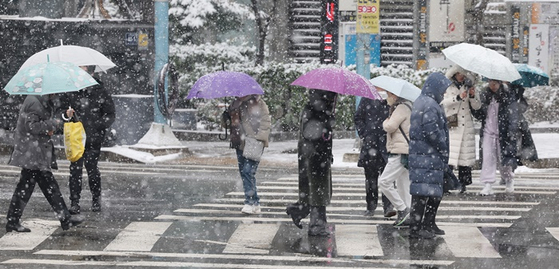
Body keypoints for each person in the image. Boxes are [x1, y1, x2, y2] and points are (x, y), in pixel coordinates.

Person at [6, 94, 84, 232]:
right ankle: (65, 219)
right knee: (46, 187)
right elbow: (32, 126)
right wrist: (52, 125)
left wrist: (64, 117)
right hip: (33, 152)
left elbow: (42, 123)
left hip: (35, 152)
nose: (57, 93)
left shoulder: (40, 100)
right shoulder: (35, 102)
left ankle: (13, 220)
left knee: (29, 187)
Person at [60, 65, 115, 214]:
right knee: (75, 171)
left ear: (91, 72)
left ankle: (96, 199)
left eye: (84, 70)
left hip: (93, 138)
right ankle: (74, 202)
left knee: (92, 170)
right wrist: (67, 115)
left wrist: (98, 126)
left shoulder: (99, 90)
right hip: (76, 138)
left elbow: (110, 114)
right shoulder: (70, 91)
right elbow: (61, 114)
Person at [286, 89, 337, 236]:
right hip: (315, 156)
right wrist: (326, 124)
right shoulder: (316, 109)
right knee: (318, 192)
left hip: (315, 155)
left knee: (313, 191)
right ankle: (316, 225)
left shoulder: (316, 107)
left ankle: (299, 211)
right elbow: (311, 133)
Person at [408, 72, 452, 239]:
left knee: (431, 191)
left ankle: (426, 224)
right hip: (427, 155)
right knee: (423, 193)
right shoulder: (430, 104)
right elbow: (431, 131)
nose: (444, 92)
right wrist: (442, 146)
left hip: (424, 155)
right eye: (443, 88)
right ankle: (417, 228)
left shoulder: (424, 101)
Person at [224, 94, 271, 214]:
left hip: (253, 141)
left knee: (248, 171)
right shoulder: (234, 104)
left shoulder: (258, 103)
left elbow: (266, 122)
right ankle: (255, 202)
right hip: (239, 141)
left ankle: (249, 202)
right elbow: (227, 125)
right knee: (245, 173)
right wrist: (226, 116)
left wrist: (259, 138)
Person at [471, 79, 518, 195]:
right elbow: (479, 115)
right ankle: (487, 184)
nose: (492, 86)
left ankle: (508, 179)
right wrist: (472, 99)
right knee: (487, 158)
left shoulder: (507, 95)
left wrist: (512, 131)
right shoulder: (484, 95)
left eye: (495, 83)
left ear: (499, 83)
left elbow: (513, 115)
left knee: (503, 159)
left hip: (503, 133)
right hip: (488, 132)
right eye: (490, 83)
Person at [440, 65, 481, 193]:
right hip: (453, 124)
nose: (461, 76)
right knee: (450, 157)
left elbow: (477, 106)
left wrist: (473, 96)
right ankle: (446, 184)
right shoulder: (448, 87)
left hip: (466, 125)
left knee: (465, 157)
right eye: (459, 74)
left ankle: (463, 183)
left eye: (463, 74)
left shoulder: (469, 87)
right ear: (454, 75)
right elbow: (443, 102)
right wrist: (457, 98)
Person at [354, 95, 395, 217]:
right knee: (370, 178)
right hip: (370, 144)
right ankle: (371, 206)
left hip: (386, 144)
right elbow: (358, 117)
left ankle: (388, 207)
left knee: (388, 178)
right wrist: (365, 133)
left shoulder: (391, 99)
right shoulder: (367, 98)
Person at [377, 90, 413, 228]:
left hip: (400, 150)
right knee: (403, 184)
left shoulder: (402, 107)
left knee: (384, 182)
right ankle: (408, 214)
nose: (387, 97)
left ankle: (402, 209)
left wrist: (386, 121)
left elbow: (390, 126)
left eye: (389, 94)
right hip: (404, 150)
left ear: (395, 95)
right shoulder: (408, 105)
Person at [508, 83, 538, 167]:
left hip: (517, 121)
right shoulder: (500, 90)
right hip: (511, 120)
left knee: (519, 139)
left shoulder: (516, 90)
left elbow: (523, 106)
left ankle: (517, 158)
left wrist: (517, 103)